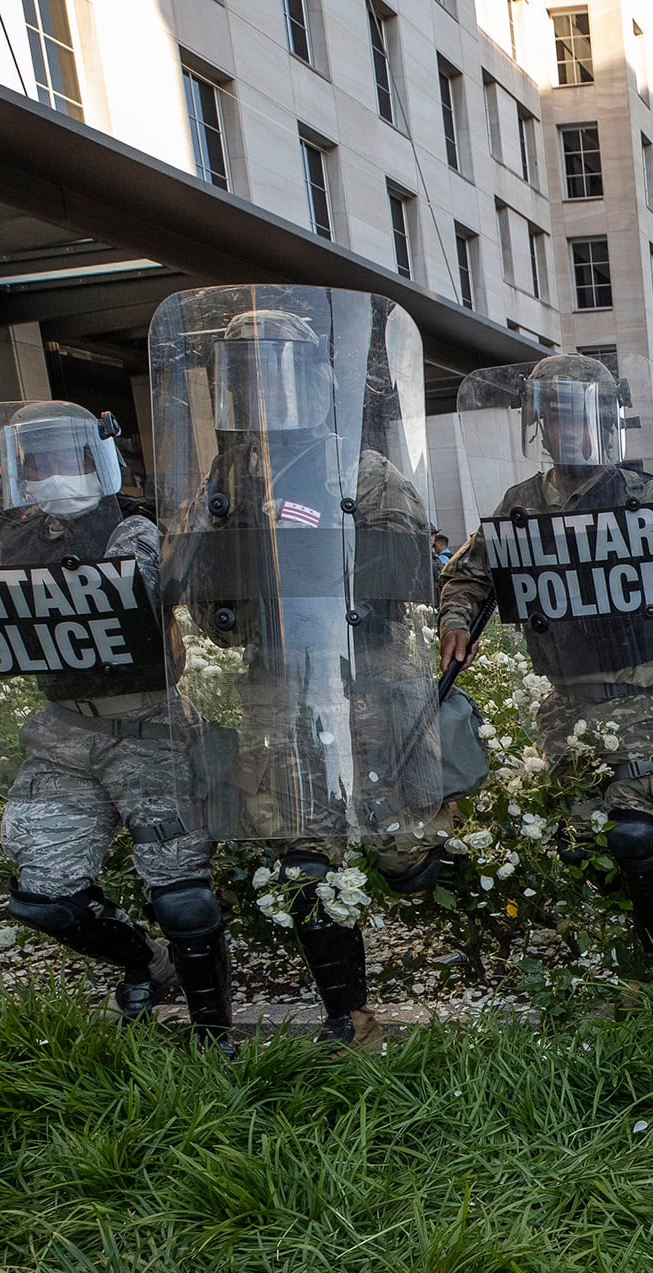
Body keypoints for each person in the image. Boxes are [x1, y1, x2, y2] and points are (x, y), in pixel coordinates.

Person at [158, 291, 452, 1048]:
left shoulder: (358, 465)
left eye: (277, 372)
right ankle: (346, 1014)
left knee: (409, 862)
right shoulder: (225, 478)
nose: (262, 392)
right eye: (247, 375)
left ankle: (485, 937)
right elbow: (195, 581)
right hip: (274, 685)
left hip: (366, 677)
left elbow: (405, 566)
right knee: (301, 860)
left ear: (314, 381)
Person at [0, 402, 232, 1043]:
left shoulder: (132, 529)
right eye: (38, 458)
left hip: (148, 728)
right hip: (64, 734)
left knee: (181, 892)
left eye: (65, 456)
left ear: (92, 457)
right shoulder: (13, 537)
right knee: (44, 895)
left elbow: (145, 597)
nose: (53, 470)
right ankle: (145, 964)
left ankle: (214, 1031)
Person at [438, 354, 653, 975]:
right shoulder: (521, 504)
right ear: (541, 423)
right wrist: (456, 619)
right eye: (556, 418)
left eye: (580, 417)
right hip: (565, 703)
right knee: (573, 842)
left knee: (635, 833)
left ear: (606, 422)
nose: (569, 431)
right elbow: (469, 573)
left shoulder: (648, 499)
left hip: (642, 698)